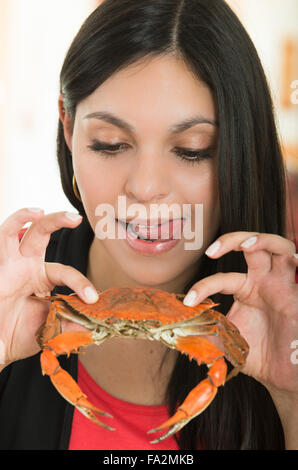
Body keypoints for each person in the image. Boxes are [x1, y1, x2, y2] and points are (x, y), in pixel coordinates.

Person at [0, 0, 297, 451]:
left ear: (242, 148)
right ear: (67, 127)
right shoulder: (14, 302)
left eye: (194, 150)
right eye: (110, 144)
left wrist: (293, 402)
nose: (146, 188)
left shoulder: (286, 326)